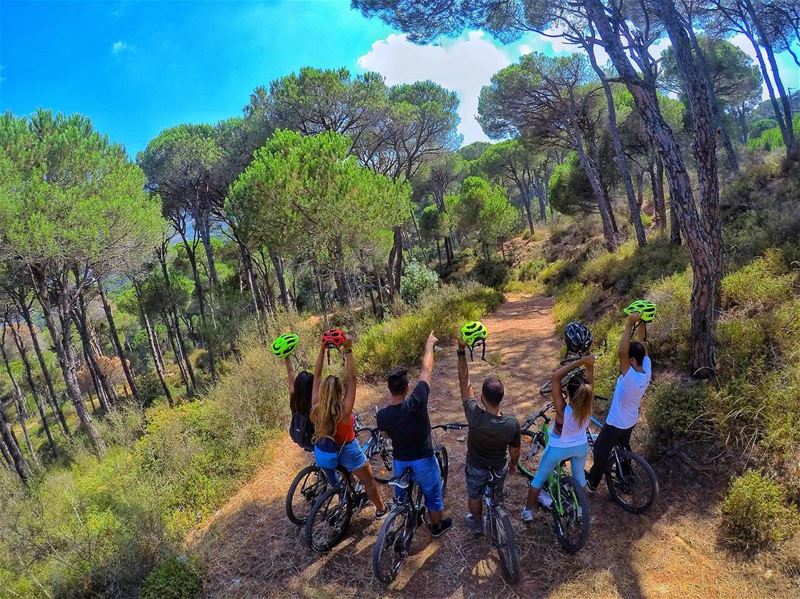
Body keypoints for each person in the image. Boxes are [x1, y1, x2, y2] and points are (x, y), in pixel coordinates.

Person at [377, 332, 453, 537]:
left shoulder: (383, 416)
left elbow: (385, 435)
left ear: (389, 389)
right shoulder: (417, 400)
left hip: (400, 461)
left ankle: (404, 514)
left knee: (402, 497)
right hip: (423, 461)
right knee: (434, 496)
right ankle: (437, 527)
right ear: (407, 386)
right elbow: (427, 369)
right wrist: (429, 345)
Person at [310, 333, 387, 517]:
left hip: (326, 450)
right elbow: (352, 379)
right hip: (347, 450)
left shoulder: (316, 406)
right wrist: (348, 349)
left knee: (341, 479)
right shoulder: (344, 409)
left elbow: (317, 374)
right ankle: (381, 509)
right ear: (340, 392)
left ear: (322, 391)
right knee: (369, 481)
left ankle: (342, 493)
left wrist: (322, 349)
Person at [457, 337, 520, 535]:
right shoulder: (511, 424)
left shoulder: (474, 415)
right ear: (502, 397)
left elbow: (464, 382)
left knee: (474, 495)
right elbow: (515, 450)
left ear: (482, 398)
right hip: (499, 466)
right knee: (497, 492)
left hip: (476, 466)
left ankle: (477, 521)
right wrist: (512, 464)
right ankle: (496, 509)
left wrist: (461, 350)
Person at [521, 355, 595, 522]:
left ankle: (527, 511)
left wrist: (581, 361)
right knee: (580, 479)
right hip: (580, 447)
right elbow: (590, 381)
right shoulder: (589, 405)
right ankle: (583, 510)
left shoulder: (563, 409)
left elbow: (555, 376)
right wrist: (590, 366)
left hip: (558, 448)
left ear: (567, 393)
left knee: (539, 477)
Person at [586, 312, 651, 491]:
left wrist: (629, 324)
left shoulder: (630, 377)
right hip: (630, 420)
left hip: (616, 422)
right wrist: (642, 321)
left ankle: (592, 483)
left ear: (631, 360)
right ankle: (628, 476)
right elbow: (643, 342)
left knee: (600, 451)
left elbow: (621, 353)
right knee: (624, 447)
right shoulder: (646, 368)